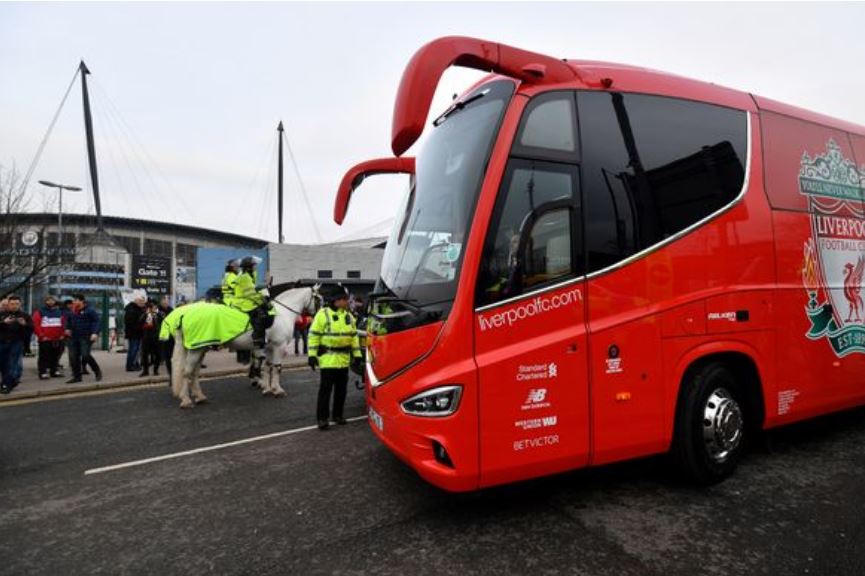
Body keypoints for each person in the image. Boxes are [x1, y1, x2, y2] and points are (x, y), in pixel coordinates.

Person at [307, 284, 363, 430]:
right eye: (344, 299)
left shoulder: (348, 316)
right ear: (336, 300)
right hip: (328, 359)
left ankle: (338, 415)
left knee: (341, 390)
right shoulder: (322, 314)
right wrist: (312, 355)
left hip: (343, 360)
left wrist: (357, 355)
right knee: (325, 391)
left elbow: (354, 337)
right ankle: (322, 418)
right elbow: (314, 335)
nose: (347, 301)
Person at [232, 256, 273, 361]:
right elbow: (250, 294)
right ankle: (257, 341)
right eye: (254, 265)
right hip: (242, 301)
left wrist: (262, 294)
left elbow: (253, 290)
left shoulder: (250, 275)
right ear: (249, 267)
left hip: (247, 299)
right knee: (260, 315)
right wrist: (263, 301)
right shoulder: (245, 277)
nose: (256, 267)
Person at [65, 293, 102, 383]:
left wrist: (94, 333)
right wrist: (67, 329)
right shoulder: (72, 311)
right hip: (74, 336)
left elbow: (96, 321)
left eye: (76, 300)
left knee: (85, 355)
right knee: (74, 357)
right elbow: (68, 321)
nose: (74, 302)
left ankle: (97, 371)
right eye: (73, 300)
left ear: (82, 301)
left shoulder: (90, 310)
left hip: (85, 336)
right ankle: (77, 376)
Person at [0, 295, 33, 394]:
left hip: (16, 342)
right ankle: (9, 381)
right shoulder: (2, 314)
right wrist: (4, 322)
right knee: (3, 364)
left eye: (16, 304)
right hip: (2, 342)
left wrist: (24, 324)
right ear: (8, 304)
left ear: (20, 304)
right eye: (12, 304)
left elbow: (31, 329)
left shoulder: (25, 316)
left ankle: (7, 384)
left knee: (13, 363)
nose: (14, 306)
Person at [32, 295, 66, 379]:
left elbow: (63, 324)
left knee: (55, 355)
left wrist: (62, 335)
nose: (50, 302)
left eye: (52, 300)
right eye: (48, 300)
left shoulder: (59, 312)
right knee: (44, 356)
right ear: (45, 301)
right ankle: (42, 372)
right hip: (45, 338)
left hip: (57, 338)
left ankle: (54, 371)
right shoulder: (39, 312)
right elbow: (36, 325)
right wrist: (41, 335)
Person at [139, 299, 164, 376]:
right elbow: (140, 322)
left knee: (157, 354)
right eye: (152, 307)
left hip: (156, 337)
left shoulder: (159, 314)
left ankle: (155, 370)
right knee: (145, 355)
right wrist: (146, 315)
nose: (153, 309)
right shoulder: (145, 315)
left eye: (154, 307)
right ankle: (145, 370)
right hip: (147, 337)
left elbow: (163, 322)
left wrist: (157, 314)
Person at [124, 295, 146, 372]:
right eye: (141, 301)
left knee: (135, 349)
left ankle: (134, 364)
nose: (143, 303)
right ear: (137, 301)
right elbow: (132, 323)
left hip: (136, 332)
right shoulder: (133, 310)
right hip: (134, 333)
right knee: (134, 349)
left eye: (143, 302)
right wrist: (140, 326)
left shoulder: (136, 309)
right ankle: (131, 365)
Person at [158, 296, 174, 376]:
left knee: (167, 348)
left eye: (166, 302)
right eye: (164, 302)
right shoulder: (158, 310)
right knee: (160, 346)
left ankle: (166, 359)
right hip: (160, 330)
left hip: (169, 331)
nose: (165, 304)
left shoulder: (171, 309)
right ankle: (161, 359)